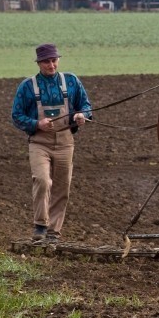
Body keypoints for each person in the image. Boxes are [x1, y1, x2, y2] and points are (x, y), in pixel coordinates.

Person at [11, 43, 92, 244]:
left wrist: (82, 115)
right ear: (39, 63)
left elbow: (86, 106)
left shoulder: (71, 81)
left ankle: (54, 231)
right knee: (42, 180)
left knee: (62, 188)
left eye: (54, 60)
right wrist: (36, 123)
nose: (51, 65)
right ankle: (40, 225)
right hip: (39, 142)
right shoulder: (28, 86)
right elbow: (16, 115)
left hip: (65, 143)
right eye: (46, 61)